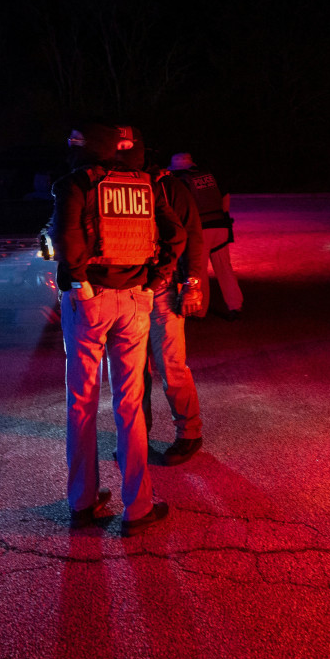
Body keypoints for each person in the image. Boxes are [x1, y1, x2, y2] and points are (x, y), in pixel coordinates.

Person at [48, 122, 186, 535]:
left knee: (81, 403)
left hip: (89, 302)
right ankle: (137, 507)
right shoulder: (145, 185)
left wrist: (83, 286)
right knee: (130, 404)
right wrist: (154, 282)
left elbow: (66, 236)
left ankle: (82, 503)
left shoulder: (76, 183)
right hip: (134, 302)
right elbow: (175, 235)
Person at [121, 137, 206, 466]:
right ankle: (137, 436)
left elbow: (192, 236)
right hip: (127, 290)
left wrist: (193, 284)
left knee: (171, 367)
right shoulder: (112, 185)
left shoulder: (168, 187)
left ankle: (189, 434)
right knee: (133, 371)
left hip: (163, 290)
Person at [169, 152, 242, 320]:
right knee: (225, 268)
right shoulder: (208, 176)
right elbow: (225, 196)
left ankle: (200, 310)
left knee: (199, 270)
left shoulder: (181, 182)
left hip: (201, 229)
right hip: (221, 227)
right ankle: (235, 306)